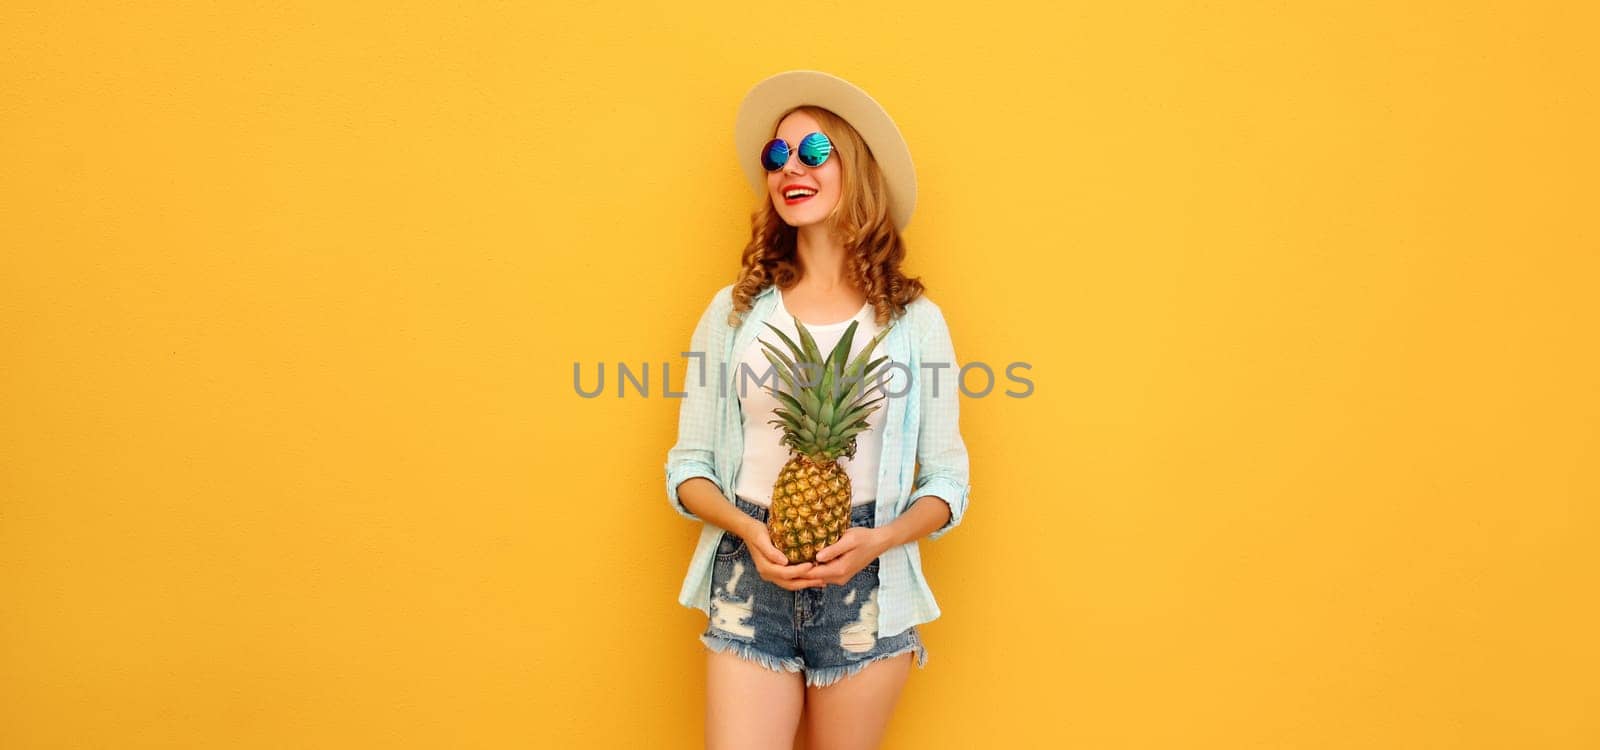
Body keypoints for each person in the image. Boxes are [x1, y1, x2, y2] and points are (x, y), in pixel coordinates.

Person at [664, 70, 972, 750]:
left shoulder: (915, 323)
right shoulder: (736, 312)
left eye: (812, 153)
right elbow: (686, 469)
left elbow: (949, 482)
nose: (788, 169)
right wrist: (747, 531)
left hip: (870, 579)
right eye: (776, 156)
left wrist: (880, 539)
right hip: (750, 573)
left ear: (855, 169)